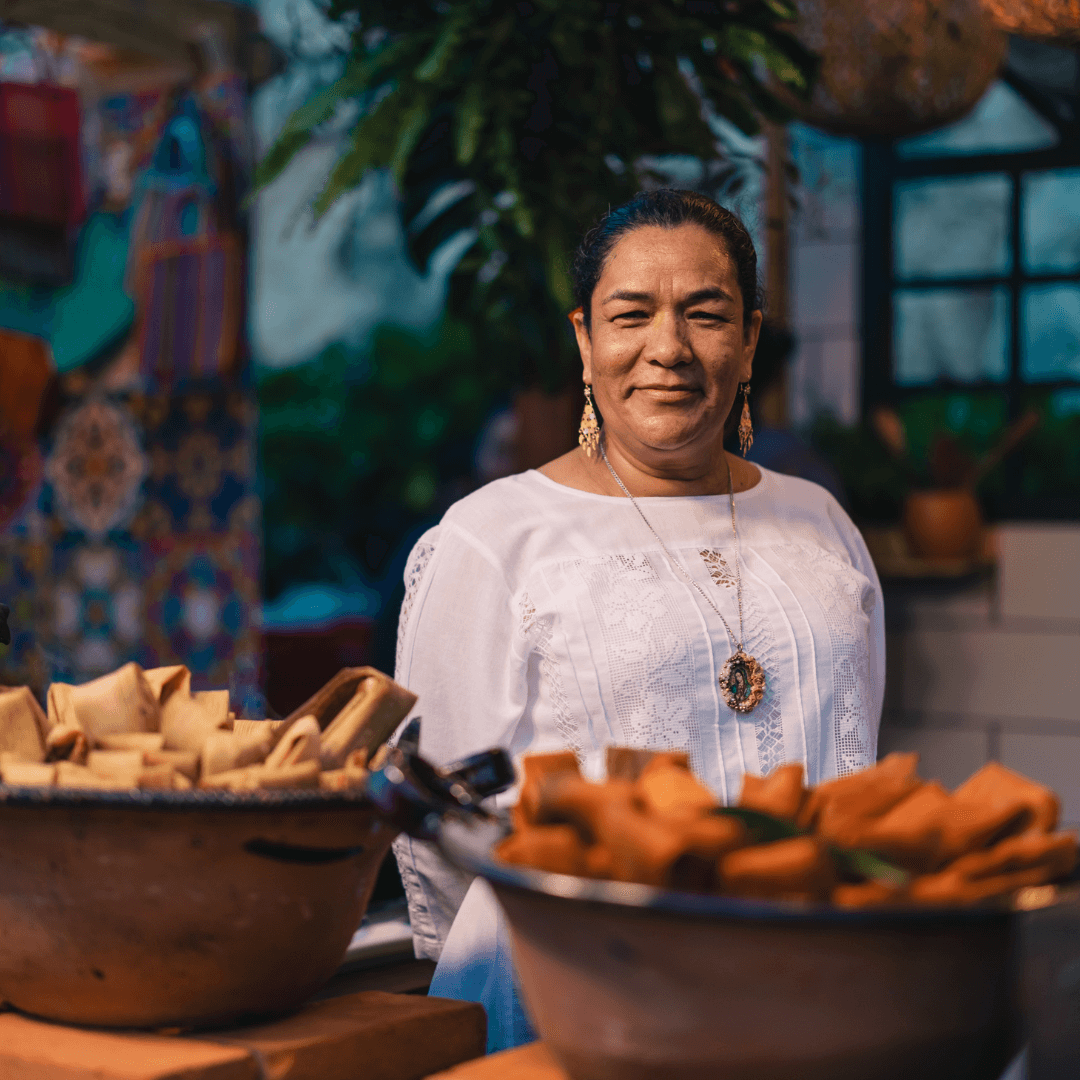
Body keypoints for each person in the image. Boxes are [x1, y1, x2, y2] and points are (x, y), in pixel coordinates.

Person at [392, 189, 885, 1051]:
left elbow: (856, 753)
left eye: (706, 313)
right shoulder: (493, 538)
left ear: (750, 341)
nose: (669, 348)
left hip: (808, 973)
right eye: (632, 315)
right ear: (585, 341)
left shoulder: (821, 523)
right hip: (573, 987)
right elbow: (437, 822)